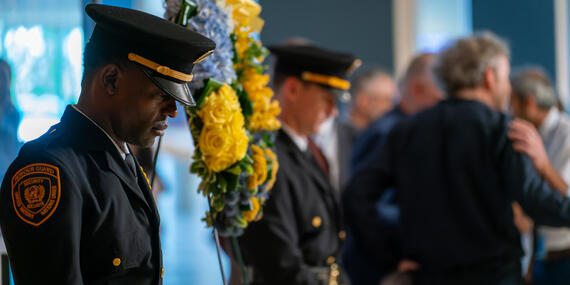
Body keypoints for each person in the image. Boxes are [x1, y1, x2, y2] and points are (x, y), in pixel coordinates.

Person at [0, 4, 215, 284]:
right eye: (161, 95)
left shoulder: (121, 160)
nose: (173, 111)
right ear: (111, 80)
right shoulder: (49, 171)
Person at [344, 32, 570, 284]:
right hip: (493, 275)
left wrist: (393, 252)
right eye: (505, 77)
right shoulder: (502, 130)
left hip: (429, 274)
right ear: (489, 76)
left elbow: (357, 194)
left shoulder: (407, 130)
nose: (507, 87)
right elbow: (537, 201)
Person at [239, 43, 360, 285]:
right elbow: (281, 264)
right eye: (327, 99)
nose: (334, 111)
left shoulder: (305, 151)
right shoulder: (267, 158)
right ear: (293, 89)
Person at [343, 53, 442, 285]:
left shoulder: (395, 128)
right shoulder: (392, 132)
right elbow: (362, 202)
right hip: (379, 270)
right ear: (417, 88)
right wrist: (394, 258)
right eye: (440, 93)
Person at [509, 67, 570, 284]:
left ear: (530, 103)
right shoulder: (531, 135)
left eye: (512, 102)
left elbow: (567, 197)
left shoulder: (567, 134)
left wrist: (544, 166)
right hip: (542, 259)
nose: (509, 111)